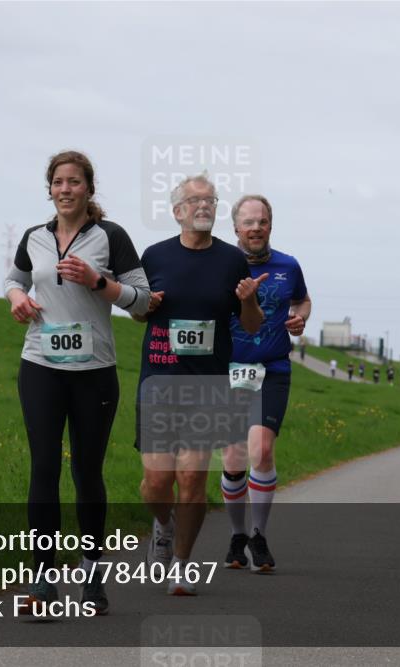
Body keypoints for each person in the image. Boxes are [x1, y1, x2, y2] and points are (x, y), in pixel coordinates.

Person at [5, 150, 151, 615]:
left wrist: (98, 282)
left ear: (89, 188)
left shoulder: (111, 236)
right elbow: (15, 277)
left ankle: (92, 579)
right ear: (49, 189)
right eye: (57, 182)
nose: (65, 189)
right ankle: (43, 582)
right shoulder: (34, 237)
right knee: (43, 468)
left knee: (87, 473)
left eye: (74, 181)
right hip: (40, 365)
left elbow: (143, 303)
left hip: (95, 372)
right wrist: (16, 298)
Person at [134, 174, 265, 596]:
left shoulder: (231, 261)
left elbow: (251, 324)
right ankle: (163, 525)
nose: (204, 206)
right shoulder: (154, 256)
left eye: (210, 200)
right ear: (177, 212)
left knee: (191, 479)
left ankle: (182, 565)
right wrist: (144, 306)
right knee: (157, 483)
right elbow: (137, 313)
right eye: (194, 201)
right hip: (159, 378)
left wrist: (247, 300)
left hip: (209, 383)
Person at [221, 194, 310, 573]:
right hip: (227, 370)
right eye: (248, 222)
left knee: (261, 449)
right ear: (236, 228)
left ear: (270, 225)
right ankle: (238, 535)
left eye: (262, 221)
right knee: (234, 458)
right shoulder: (221, 265)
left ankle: (258, 535)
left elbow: (303, 301)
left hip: (272, 367)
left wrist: (299, 319)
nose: (255, 227)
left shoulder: (288, 265)